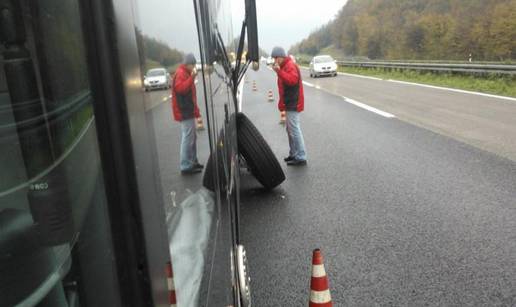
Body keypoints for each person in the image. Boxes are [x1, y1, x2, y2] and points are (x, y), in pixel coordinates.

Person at [271, 46, 307, 166]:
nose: (275, 60)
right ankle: (294, 153)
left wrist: (279, 72)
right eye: (273, 58)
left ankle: (301, 156)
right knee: (290, 129)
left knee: (294, 129)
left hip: (293, 102)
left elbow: (292, 80)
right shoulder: (284, 66)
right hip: (289, 102)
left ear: (281, 56)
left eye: (276, 58)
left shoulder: (289, 66)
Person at [172, 53, 204, 174]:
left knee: (192, 137)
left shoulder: (185, 73)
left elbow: (191, 95)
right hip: (184, 111)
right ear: (188, 64)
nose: (194, 67)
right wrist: (192, 78)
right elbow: (181, 88)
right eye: (193, 64)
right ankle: (185, 165)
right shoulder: (181, 73)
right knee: (187, 138)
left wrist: (196, 111)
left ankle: (193, 161)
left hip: (188, 110)